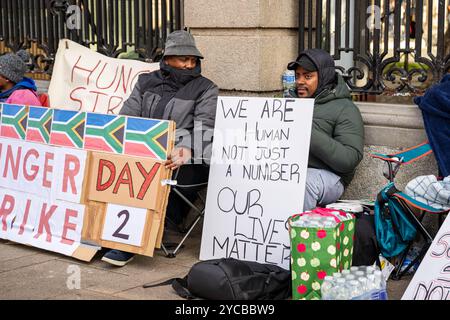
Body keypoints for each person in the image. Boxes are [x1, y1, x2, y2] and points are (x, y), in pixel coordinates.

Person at [102, 30, 219, 266]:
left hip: (185, 158)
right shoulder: (146, 81)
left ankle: (131, 240)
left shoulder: (206, 88)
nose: (188, 65)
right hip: (147, 152)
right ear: (167, 59)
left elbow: (205, 125)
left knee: (156, 172)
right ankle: (107, 232)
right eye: (182, 59)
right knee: (114, 165)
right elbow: (127, 117)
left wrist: (187, 148)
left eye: (193, 60)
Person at [286, 48, 364, 211]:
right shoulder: (288, 103)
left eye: (307, 76)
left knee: (303, 183)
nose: (300, 81)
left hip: (329, 176)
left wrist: (307, 131)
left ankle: (296, 234)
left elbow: (349, 159)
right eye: (298, 76)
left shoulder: (345, 108)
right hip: (289, 169)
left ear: (323, 77)